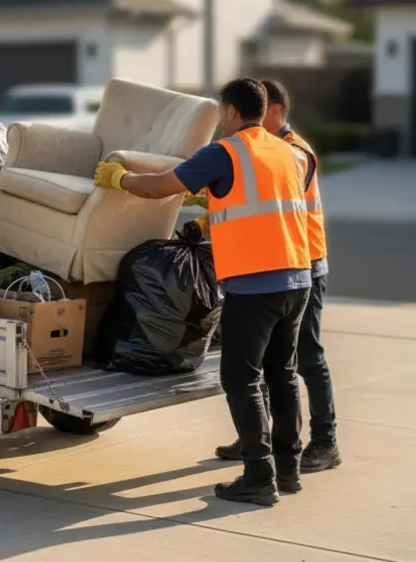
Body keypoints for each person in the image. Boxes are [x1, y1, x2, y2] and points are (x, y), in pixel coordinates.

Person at [93, 78, 311, 506]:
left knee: (241, 378)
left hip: (254, 284)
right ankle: (289, 471)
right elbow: (263, 202)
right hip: (297, 278)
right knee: (282, 376)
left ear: (230, 112)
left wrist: (120, 179)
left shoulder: (225, 152)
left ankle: (258, 476)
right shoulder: (287, 152)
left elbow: (161, 187)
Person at [211, 80, 342, 474]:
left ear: (275, 111)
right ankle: (258, 440)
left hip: (304, 262)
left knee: (306, 358)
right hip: (282, 262)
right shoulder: (266, 150)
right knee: (266, 362)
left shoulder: (295, 152)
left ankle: (325, 442)